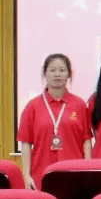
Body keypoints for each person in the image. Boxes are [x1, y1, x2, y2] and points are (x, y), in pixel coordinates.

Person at [17, 54, 91, 187]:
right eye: (52, 70)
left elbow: (86, 140)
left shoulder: (79, 105)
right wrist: (26, 175)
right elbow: (26, 143)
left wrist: (87, 170)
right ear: (45, 74)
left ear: (69, 74)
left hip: (75, 174)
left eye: (62, 70)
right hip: (41, 175)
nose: (57, 74)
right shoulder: (32, 106)